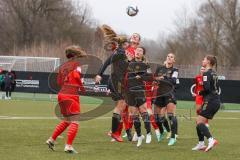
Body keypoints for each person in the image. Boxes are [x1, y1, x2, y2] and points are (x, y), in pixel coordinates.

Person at [46, 45, 86, 154]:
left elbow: (59, 82)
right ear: (76, 55)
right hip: (71, 94)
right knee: (75, 121)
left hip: (62, 94)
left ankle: (51, 139)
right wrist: (82, 87)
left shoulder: (62, 66)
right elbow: (77, 76)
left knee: (67, 120)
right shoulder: (76, 65)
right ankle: (68, 146)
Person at [95, 29, 131, 142]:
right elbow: (107, 62)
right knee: (121, 105)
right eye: (127, 43)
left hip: (119, 81)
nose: (129, 45)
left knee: (122, 105)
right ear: (124, 44)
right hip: (118, 82)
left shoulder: (121, 52)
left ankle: (113, 131)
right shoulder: (119, 53)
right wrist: (99, 74)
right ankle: (114, 132)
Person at [192, 55, 220, 152]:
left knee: (199, 122)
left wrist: (200, 92)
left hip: (210, 101)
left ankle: (211, 140)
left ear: (208, 62)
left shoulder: (206, 73)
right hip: (216, 100)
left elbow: (207, 89)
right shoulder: (214, 73)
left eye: (204, 59)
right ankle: (201, 144)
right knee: (199, 122)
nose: (202, 60)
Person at [125, 46, 152, 147]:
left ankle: (149, 133)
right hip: (130, 92)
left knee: (144, 111)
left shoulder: (145, 65)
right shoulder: (129, 62)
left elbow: (150, 77)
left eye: (140, 51)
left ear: (143, 54)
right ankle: (139, 136)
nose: (138, 52)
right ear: (135, 52)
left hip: (140, 90)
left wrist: (141, 76)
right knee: (134, 115)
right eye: (137, 50)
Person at [153, 53, 179, 146]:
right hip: (159, 93)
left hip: (169, 94)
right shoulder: (160, 68)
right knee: (156, 118)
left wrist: (164, 78)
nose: (169, 58)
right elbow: (154, 78)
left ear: (174, 61)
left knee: (171, 115)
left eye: (172, 57)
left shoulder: (175, 70)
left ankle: (173, 136)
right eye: (168, 56)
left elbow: (173, 80)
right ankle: (161, 131)